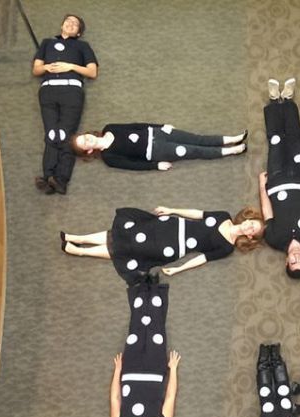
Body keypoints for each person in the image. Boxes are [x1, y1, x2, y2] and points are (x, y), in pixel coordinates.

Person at [60, 205, 264, 284]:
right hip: (170, 226)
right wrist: (172, 209)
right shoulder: (223, 216)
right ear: (247, 218)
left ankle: (79, 252)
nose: (248, 227)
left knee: (128, 248)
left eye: (252, 230)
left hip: (171, 247)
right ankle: (79, 238)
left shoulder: (227, 247)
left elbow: (202, 258)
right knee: (125, 233)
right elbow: (197, 214)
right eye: (251, 223)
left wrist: (178, 269)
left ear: (251, 237)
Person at [110, 279, 180, 417]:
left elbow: (115, 397)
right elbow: (170, 396)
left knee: (137, 330)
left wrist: (117, 371)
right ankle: (156, 289)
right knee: (156, 330)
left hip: (130, 371)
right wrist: (172, 369)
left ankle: (140, 289)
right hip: (155, 371)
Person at [258, 78, 300, 279]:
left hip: (277, 182)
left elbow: (267, 212)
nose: (297, 257)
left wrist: (262, 187)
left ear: (287, 262)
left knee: (276, 142)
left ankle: (273, 102)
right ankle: (287, 101)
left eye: (294, 262)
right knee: (295, 140)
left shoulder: (274, 239)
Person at [32, 14, 98, 195]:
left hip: (72, 91)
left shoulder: (82, 46)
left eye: (75, 24)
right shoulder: (47, 43)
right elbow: (36, 69)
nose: (70, 24)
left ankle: (61, 179)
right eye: (68, 21)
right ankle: (47, 177)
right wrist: (46, 67)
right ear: (61, 25)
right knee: (52, 133)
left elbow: (92, 72)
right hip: (48, 90)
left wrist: (70, 66)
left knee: (65, 135)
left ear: (79, 32)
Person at [70, 124, 247, 170]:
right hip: (156, 152)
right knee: (193, 151)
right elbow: (133, 165)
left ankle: (232, 139)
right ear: (89, 151)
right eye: (85, 144)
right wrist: (156, 165)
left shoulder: (109, 128)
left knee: (196, 138)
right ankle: (231, 151)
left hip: (157, 133)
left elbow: (136, 124)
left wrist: (161, 125)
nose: (88, 140)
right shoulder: (109, 158)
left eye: (85, 137)